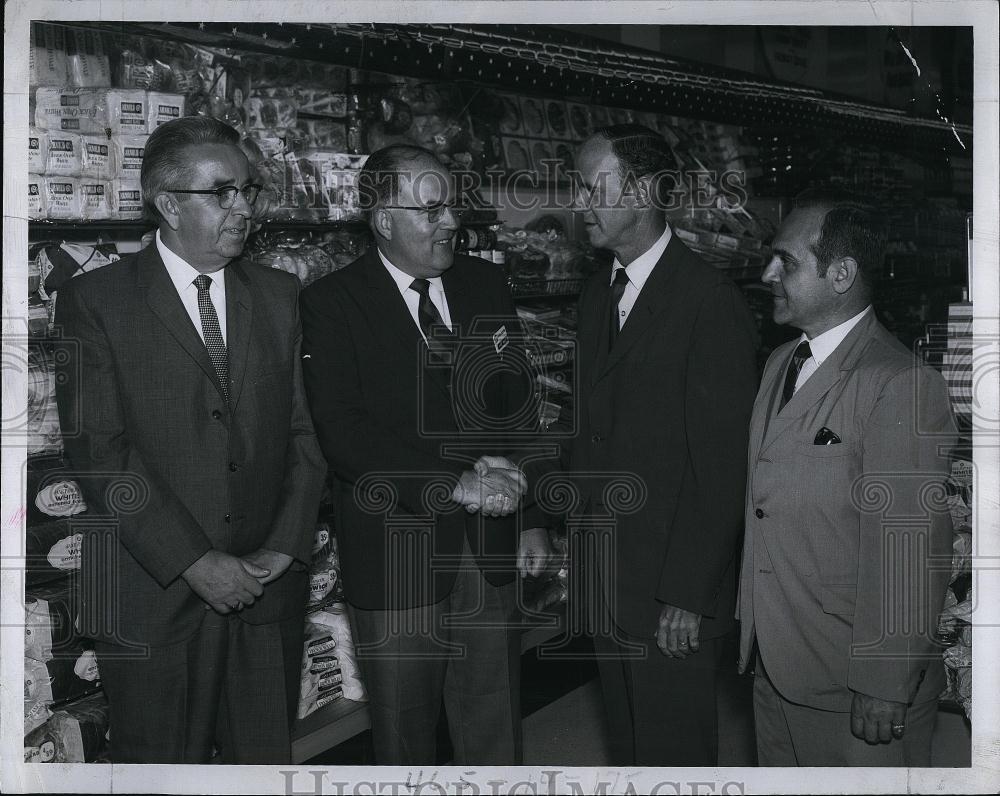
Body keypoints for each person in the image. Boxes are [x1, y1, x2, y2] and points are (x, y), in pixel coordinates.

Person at [54, 115, 326, 763]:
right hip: (155, 593)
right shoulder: (97, 301)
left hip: (266, 592)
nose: (243, 207)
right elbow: (100, 452)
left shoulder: (281, 294)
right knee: (160, 765)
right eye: (222, 192)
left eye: (248, 190)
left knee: (262, 764)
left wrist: (285, 548)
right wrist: (195, 561)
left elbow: (305, 435)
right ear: (169, 204)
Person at [299, 144, 550, 765]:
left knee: (493, 718)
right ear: (384, 218)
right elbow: (343, 431)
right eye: (431, 209)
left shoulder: (485, 284)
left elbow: (520, 405)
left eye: (451, 207)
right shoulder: (331, 304)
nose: (450, 222)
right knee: (405, 731)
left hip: (491, 545)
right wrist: (456, 481)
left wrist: (536, 516)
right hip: (398, 549)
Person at [533, 125, 759, 765]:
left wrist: (686, 594)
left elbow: (720, 470)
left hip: (671, 594)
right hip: (610, 579)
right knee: (632, 749)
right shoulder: (598, 293)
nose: (579, 202)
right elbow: (590, 430)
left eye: (589, 186)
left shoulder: (707, 303)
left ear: (641, 190)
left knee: (676, 754)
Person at [736, 187, 957, 765]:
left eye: (786, 261)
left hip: (852, 679)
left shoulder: (899, 383)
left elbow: (908, 546)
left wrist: (884, 682)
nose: (767, 274)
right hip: (775, 657)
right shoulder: (782, 362)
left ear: (842, 274)